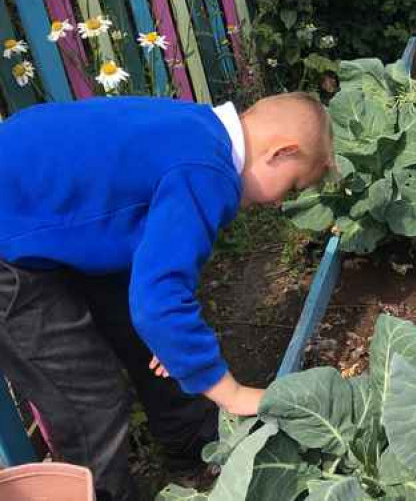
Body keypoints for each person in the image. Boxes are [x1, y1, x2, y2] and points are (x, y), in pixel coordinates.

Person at [0, 93, 334, 501]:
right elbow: (157, 303)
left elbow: (159, 286)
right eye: (293, 185)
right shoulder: (206, 170)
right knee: (89, 401)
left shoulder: (197, 128)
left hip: (43, 218)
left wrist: (166, 331)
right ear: (282, 151)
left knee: (167, 335)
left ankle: (196, 456)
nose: (280, 202)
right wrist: (231, 393)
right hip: (11, 248)